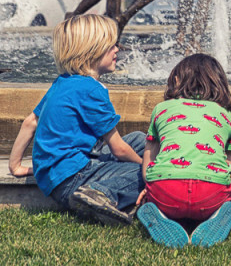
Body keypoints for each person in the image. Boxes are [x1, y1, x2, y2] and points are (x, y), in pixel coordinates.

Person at [7, 14, 146, 225]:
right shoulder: (91, 90)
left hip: (60, 175)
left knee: (138, 138)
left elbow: (30, 122)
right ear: (92, 51)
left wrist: (16, 167)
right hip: (75, 179)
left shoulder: (64, 82)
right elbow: (119, 150)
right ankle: (100, 194)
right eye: (111, 45)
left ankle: (99, 192)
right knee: (143, 174)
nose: (117, 49)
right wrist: (149, 170)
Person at [136, 54, 231, 249]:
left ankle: (161, 214)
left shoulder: (161, 108)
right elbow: (229, 161)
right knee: (218, 197)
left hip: (165, 189)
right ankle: (217, 214)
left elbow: (149, 155)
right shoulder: (227, 115)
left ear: (176, 80)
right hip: (211, 194)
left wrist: (149, 185)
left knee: (166, 201)